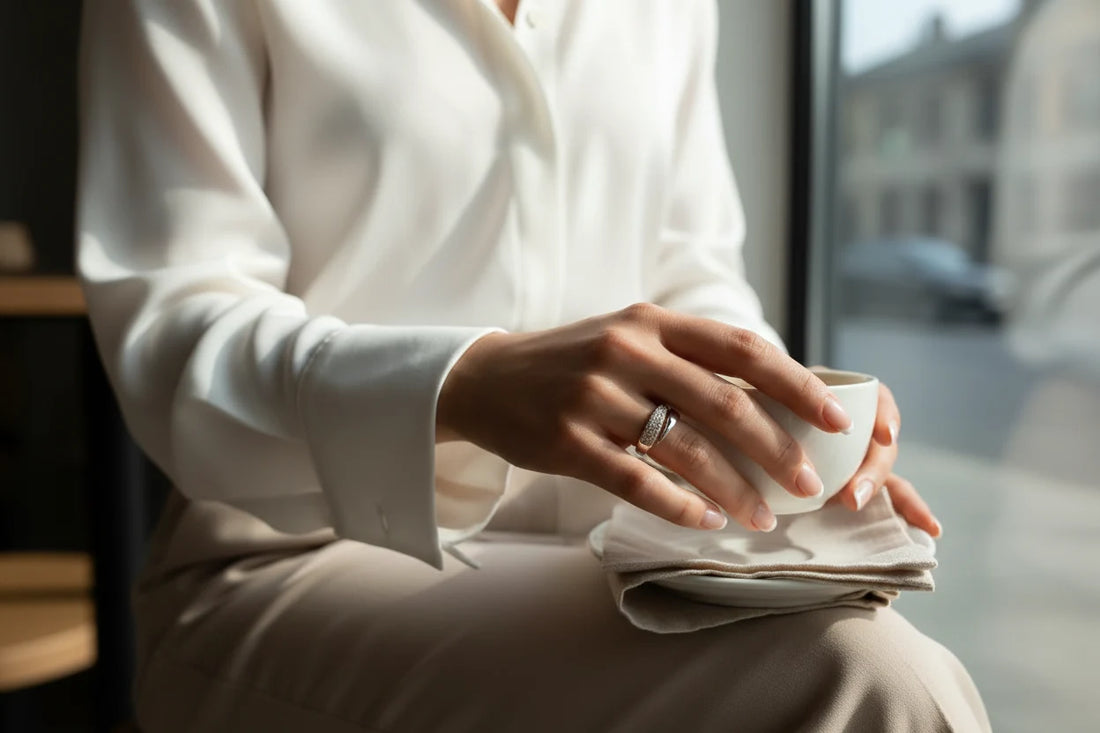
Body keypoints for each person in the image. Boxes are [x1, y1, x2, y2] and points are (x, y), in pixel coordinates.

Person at [77, 1, 990, 730]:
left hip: (627, 556)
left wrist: (786, 430)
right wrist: (463, 383)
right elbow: (174, 320)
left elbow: (693, 274)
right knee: (872, 685)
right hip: (287, 566)